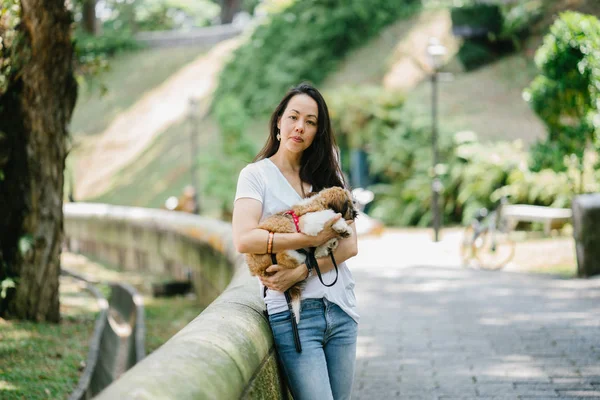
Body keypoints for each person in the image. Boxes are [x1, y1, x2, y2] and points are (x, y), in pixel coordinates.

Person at [232, 83, 359, 400]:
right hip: (295, 317)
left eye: (311, 121)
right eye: (293, 117)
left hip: (341, 309)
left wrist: (301, 272)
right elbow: (245, 239)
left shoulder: (328, 174)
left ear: (318, 130)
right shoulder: (256, 175)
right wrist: (309, 237)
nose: (300, 127)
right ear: (278, 122)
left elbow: (350, 245)